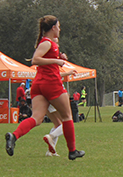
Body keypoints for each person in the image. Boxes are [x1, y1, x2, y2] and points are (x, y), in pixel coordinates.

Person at [5, 15, 84, 160]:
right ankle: (72, 151)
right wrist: (57, 60)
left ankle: (14, 136)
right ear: (53, 28)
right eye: (58, 27)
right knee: (67, 117)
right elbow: (36, 59)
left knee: (37, 118)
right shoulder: (47, 43)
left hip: (39, 84)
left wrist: (59, 58)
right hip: (51, 84)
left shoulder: (50, 43)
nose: (59, 29)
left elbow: (46, 60)